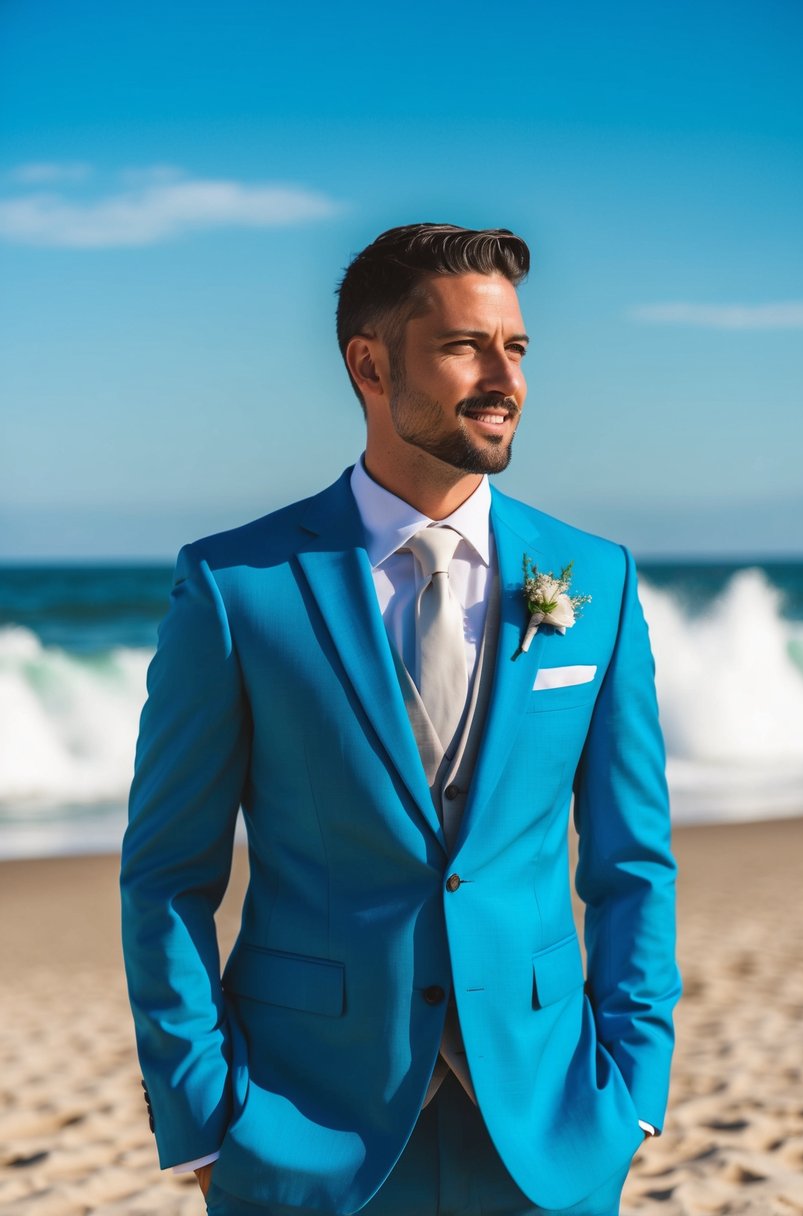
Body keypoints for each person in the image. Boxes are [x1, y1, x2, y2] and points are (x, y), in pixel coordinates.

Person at [121, 223, 681, 1216]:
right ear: (369, 365)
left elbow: (631, 858)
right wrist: (201, 1110)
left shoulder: (593, 578)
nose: (502, 376)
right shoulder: (236, 586)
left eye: (515, 347)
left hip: (548, 1119)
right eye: (465, 346)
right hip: (305, 1123)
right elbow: (169, 871)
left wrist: (633, 1089)